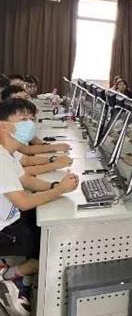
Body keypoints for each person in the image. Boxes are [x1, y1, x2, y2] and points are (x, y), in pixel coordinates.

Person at [0, 98, 79, 312]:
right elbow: (24, 202)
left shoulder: (7, 152)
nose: (30, 124)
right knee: (54, 244)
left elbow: (26, 179)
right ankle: (11, 277)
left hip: (12, 216)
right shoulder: (1, 156)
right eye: (23, 120)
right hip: (5, 229)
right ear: (4, 126)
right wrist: (58, 191)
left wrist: (55, 185)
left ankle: (20, 276)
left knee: (45, 220)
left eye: (30, 119)